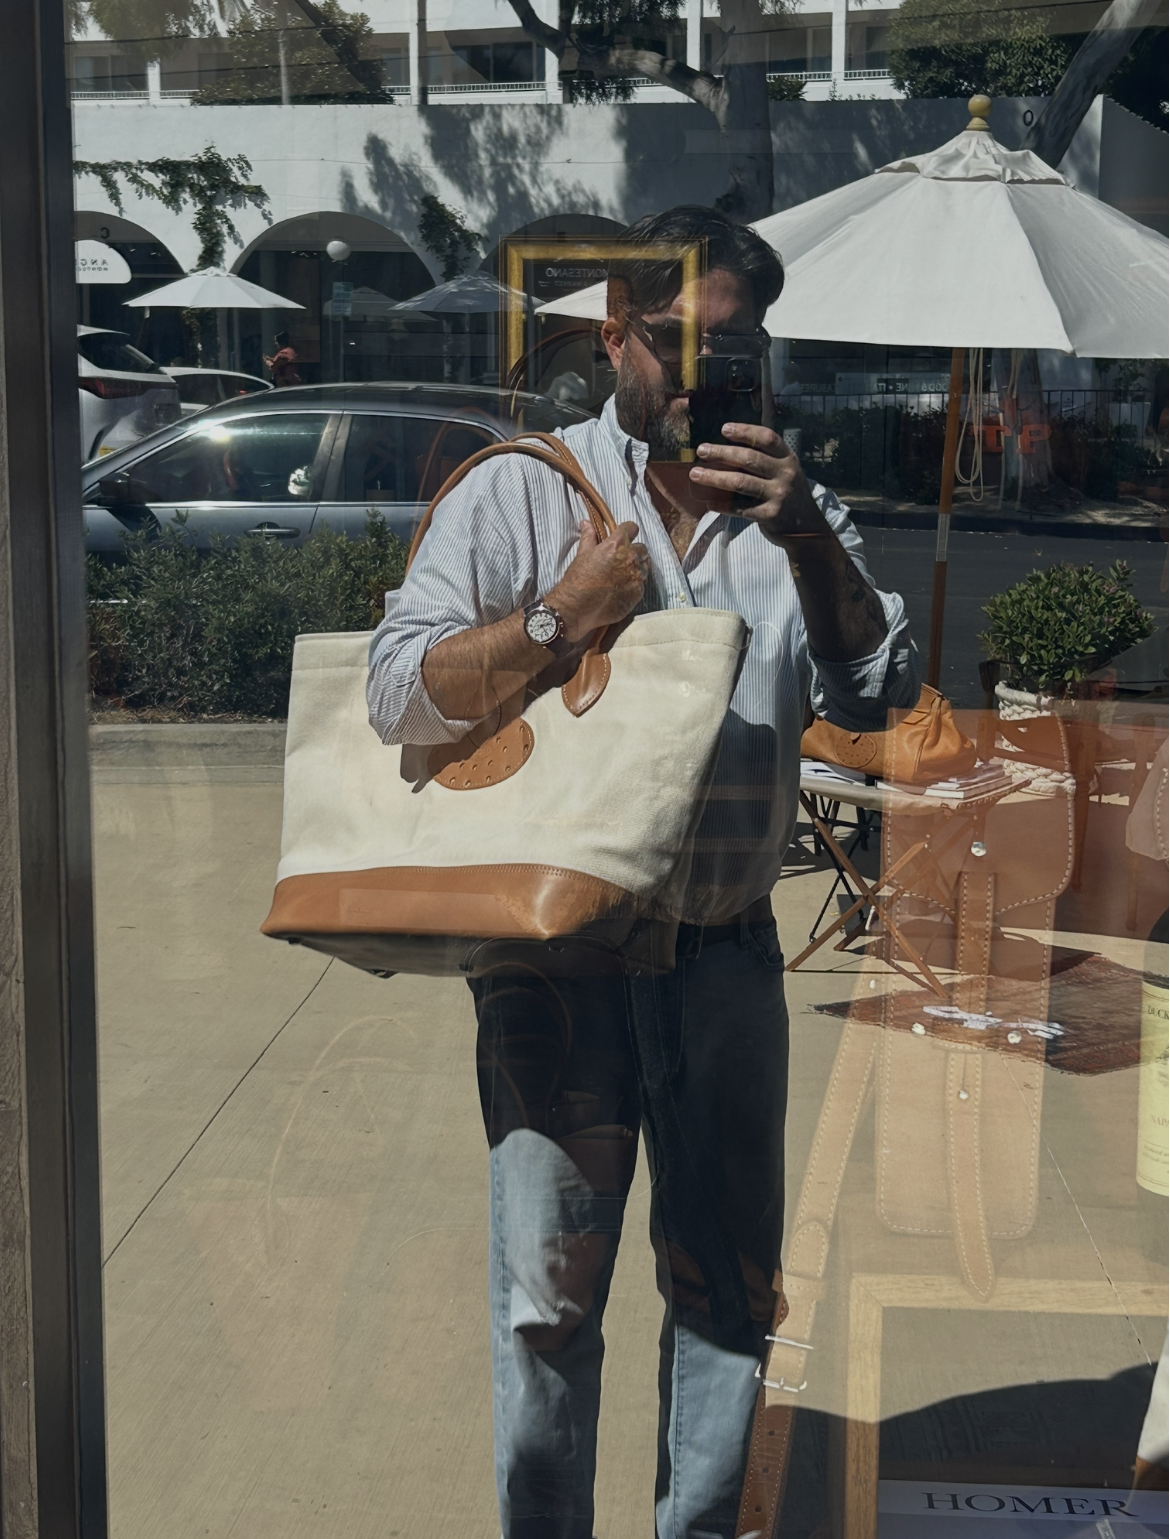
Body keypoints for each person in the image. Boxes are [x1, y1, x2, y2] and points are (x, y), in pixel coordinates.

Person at [367, 205, 919, 1539]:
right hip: (555, 966)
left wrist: (809, 540)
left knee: (728, 1297)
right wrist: (564, 611)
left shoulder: (795, 511)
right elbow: (396, 695)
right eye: (665, 340)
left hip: (728, 957)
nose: (686, 371)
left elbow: (882, 692)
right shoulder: (525, 490)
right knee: (546, 1307)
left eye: (723, 345)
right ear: (612, 335)